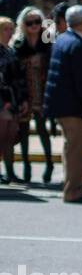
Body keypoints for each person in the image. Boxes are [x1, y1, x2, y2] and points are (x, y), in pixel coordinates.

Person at [43, 5, 82, 204]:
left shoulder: (62, 40)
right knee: (78, 149)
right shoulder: (78, 45)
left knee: (71, 147)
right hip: (73, 107)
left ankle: (74, 186)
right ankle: (74, 190)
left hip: (62, 105)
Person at [11, 8, 53, 184]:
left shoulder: (47, 42)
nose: (34, 25)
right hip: (25, 93)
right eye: (30, 23)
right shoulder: (19, 45)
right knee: (24, 130)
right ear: (23, 25)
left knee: (43, 130)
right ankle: (26, 163)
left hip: (43, 92)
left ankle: (49, 163)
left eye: (37, 21)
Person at [0, 17, 24, 183]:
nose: (9, 32)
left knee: (10, 138)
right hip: (2, 101)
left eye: (11, 29)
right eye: (5, 29)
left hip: (14, 99)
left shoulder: (11, 50)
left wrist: (22, 99)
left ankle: (10, 172)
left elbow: (18, 77)